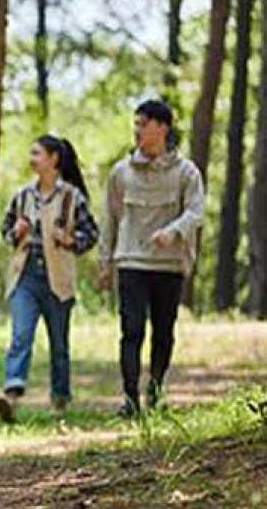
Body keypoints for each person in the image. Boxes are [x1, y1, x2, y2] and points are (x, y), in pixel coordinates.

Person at [98, 100, 204, 418]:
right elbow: (110, 219)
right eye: (136, 124)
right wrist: (105, 262)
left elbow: (196, 212)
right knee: (131, 330)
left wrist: (173, 232)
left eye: (143, 124)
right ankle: (129, 398)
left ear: (162, 127)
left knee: (163, 330)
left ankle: (155, 390)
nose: (137, 130)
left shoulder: (186, 172)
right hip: (131, 261)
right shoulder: (120, 173)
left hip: (168, 265)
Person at [0, 135, 100, 423]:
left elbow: (91, 235)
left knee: (59, 344)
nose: (32, 158)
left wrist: (68, 239)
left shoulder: (71, 197)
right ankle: (11, 394)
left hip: (57, 279)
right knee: (20, 335)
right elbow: (5, 232)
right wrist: (15, 232)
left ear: (54, 159)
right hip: (24, 276)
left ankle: (60, 399)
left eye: (37, 153)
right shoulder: (22, 196)